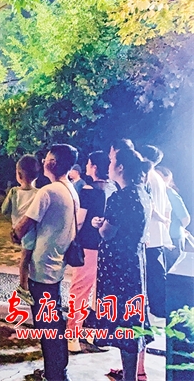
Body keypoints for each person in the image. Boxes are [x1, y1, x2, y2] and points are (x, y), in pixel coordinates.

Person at [13, 144, 79, 381]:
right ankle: (58, 370)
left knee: (47, 325)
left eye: (47, 159)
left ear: (53, 163)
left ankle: (54, 375)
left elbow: (22, 227)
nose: (43, 162)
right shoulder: (71, 190)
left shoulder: (48, 192)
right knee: (54, 321)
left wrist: (14, 233)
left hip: (42, 266)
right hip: (57, 264)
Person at [91, 145, 153, 381]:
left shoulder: (120, 197)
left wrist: (100, 226)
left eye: (111, 161)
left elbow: (108, 233)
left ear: (121, 167)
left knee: (123, 322)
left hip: (118, 268)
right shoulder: (142, 193)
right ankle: (132, 374)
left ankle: (129, 377)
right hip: (134, 264)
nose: (108, 166)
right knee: (132, 319)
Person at [66, 151, 116, 353]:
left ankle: (73, 335)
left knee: (80, 291)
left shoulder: (87, 191)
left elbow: (79, 221)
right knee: (101, 293)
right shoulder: (113, 189)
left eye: (88, 163)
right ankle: (97, 334)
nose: (86, 166)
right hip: (108, 247)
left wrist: (70, 239)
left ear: (94, 167)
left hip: (88, 246)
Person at [1, 155, 40, 306]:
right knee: (27, 257)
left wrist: (9, 196)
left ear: (18, 174)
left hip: (17, 229)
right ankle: (24, 286)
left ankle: (23, 286)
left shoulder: (14, 192)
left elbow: (4, 210)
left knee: (25, 258)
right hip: (32, 231)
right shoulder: (38, 193)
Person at [138, 145, 172, 320]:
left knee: (148, 275)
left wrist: (160, 219)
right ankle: (159, 309)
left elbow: (148, 205)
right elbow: (168, 207)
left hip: (148, 234)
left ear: (143, 156)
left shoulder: (145, 176)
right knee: (157, 274)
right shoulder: (158, 178)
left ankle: (152, 310)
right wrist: (165, 224)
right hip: (158, 235)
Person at [156, 166, 191, 270]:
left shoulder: (170, 193)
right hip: (160, 238)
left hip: (173, 238)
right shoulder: (156, 193)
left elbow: (185, 218)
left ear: (167, 178)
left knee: (170, 271)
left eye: (159, 176)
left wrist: (179, 228)